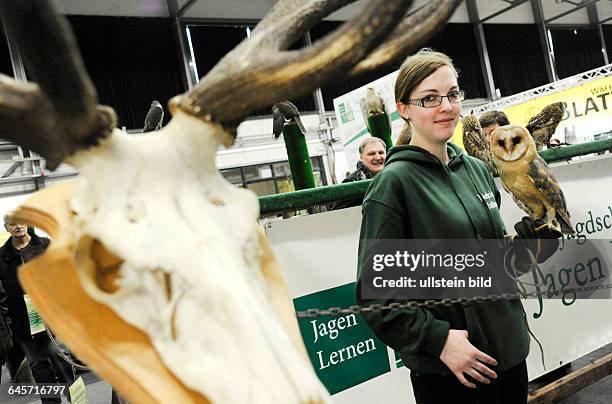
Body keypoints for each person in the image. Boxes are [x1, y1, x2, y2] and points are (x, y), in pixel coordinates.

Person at [356, 49, 559, 404]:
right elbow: (378, 298)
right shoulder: (393, 184)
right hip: (452, 374)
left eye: (452, 94)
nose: (446, 106)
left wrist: (534, 241)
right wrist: (439, 340)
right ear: (404, 109)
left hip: (510, 357)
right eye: (429, 98)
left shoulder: (478, 171)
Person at [0, 217, 72, 403]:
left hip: (53, 320)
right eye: (12, 224)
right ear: (7, 228)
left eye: (21, 222)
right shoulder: (2, 256)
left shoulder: (45, 246)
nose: (18, 226)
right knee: (40, 369)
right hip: (24, 325)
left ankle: (76, 400)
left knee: (62, 363)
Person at [330, 136, 387, 210]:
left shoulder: (393, 176)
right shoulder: (351, 182)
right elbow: (340, 214)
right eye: (372, 154)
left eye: (381, 153)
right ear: (361, 158)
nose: (378, 157)